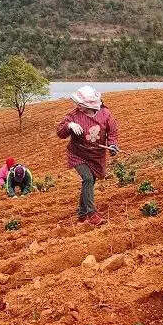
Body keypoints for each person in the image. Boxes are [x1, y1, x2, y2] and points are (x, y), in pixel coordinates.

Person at [56, 85, 119, 226]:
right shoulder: (74, 116)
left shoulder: (105, 114)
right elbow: (60, 132)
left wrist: (113, 145)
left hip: (96, 155)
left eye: (81, 104)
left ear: (89, 105)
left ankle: (82, 214)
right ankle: (92, 214)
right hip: (77, 154)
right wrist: (69, 126)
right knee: (88, 179)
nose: (78, 106)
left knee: (89, 183)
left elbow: (112, 132)